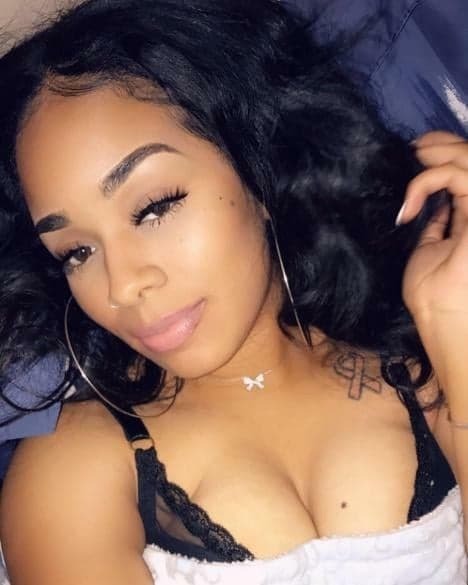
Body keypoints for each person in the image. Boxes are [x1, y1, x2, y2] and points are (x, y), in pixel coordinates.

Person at [0, 1, 467, 583]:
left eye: (154, 207)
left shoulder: (431, 370)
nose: (123, 284)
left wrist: (453, 321)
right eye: (76, 251)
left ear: (258, 168)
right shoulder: (75, 466)